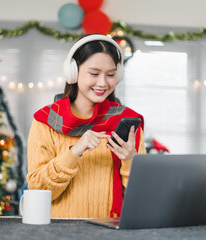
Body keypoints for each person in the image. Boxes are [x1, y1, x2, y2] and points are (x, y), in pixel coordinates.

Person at [26, 34, 146, 218]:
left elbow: (143, 198)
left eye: (111, 75)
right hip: (60, 232)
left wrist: (129, 160)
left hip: (111, 230)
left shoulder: (127, 121)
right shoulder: (46, 121)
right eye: (94, 73)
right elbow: (39, 190)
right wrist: (74, 152)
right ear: (73, 72)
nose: (103, 83)